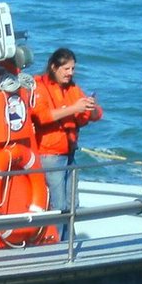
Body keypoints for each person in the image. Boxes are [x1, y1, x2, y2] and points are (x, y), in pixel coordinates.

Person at [31, 48, 102, 237]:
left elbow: (91, 116)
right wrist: (73, 108)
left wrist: (91, 107)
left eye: (72, 69)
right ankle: (57, 245)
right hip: (50, 155)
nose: (70, 73)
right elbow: (42, 117)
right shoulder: (39, 87)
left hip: (69, 154)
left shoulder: (72, 89)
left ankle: (68, 241)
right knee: (58, 204)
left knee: (72, 203)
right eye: (66, 69)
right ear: (54, 67)